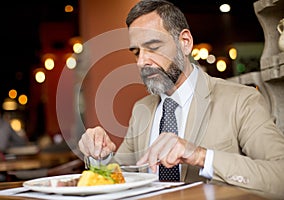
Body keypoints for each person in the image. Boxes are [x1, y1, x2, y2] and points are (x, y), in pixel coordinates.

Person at [78, 0, 284, 199]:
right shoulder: (141, 110)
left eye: (153, 47)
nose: (142, 62)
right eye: (136, 52)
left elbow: (280, 178)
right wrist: (100, 155)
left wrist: (202, 156)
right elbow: (121, 176)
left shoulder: (241, 100)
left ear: (185, 43)